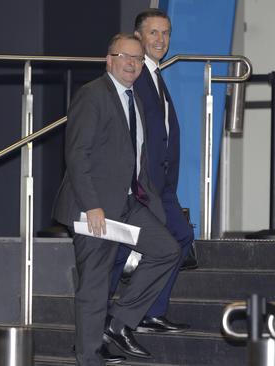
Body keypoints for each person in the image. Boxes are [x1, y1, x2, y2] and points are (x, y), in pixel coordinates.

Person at [52, 33, 180, 365]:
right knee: (94, 288)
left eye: (137, 59)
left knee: (166, 251)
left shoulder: (132, 97)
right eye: (125, 56)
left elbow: (135, 156)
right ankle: (89, 357)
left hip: (127, 203)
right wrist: (91, 205)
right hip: (94, 207)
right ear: (109, 59)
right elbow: (77, 155)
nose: (131, 64)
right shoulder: (92, 95)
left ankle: (118, 322)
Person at [109, 9, 194, 333]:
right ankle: (105, 316)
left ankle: (149, 311)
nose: (161, 40)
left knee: (181, 236)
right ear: (138, 38)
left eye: (166, 33)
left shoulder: (156, 75)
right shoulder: (134, 76)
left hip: (163, 185)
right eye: (154, 33)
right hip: (142, 186)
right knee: (118, 252)